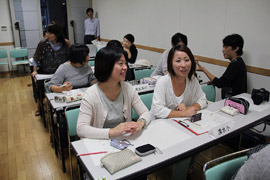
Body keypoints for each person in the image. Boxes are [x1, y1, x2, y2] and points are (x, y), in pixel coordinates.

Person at [77, 46, 151, 139]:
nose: (125, 67)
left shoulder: (128, 89)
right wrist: (112, 132)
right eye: (120, 64)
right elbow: (81, 129)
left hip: (125, 140)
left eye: (125, 63)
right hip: (100, 143)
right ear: (106, 66)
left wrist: (141, 123)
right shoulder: (91, 94)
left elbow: (145, 112)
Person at [151, 45, 207, 119]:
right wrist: (184, 113)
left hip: (180, 123)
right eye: (178, 61)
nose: (183, 65)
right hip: (161, 124)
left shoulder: (192, 79)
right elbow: (157, 110)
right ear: (171, 64)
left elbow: (203, 99)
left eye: (187, 60)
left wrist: (189, 108)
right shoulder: (163, 82)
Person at [31, 22, 70, 116]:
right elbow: (36, 58)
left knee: (63, 90)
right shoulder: (42, 44)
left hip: (61, 72)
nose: (47, 35)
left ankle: (61, 109)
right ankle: (40, 107)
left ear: (57, 34)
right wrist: (35, 70)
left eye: (50, 33)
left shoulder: (65, 43)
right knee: (41, 90)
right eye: (47, 32)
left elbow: (70, 56)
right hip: (45, 72)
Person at [196, 34, 247, 99]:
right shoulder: (238, 62)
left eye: (226, 47)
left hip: (234, 103)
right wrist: (214, 81)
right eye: (223, 47)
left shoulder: (236, 64)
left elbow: (220, 83)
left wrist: (203, 69)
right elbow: (226, 81)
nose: (223, 50)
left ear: (236, 48)